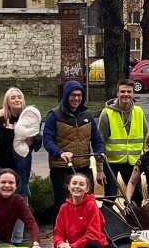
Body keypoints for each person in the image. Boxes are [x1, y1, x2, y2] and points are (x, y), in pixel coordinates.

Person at [43, 80, 104, 223]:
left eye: (79, 95)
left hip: (83, 168)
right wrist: (60, 153)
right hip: (62, 168)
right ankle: (58, 238)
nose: (76, 98)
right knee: (63, 205)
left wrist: (99, 152)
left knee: (88, 203)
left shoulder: (87, 116)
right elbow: (47, 141)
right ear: (66, 96)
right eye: (72, 95)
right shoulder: (54, 115)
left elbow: (96, 140)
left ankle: (86, 236)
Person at [96, 79, 148, 203]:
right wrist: (99, 169)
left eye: (129, 91)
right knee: (110, 196)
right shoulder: (107, 113)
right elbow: (100, 142)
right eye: (122, 91)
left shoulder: (139, 112)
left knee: (137, 197)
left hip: (133, 162)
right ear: (117, 93)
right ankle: (108, 222)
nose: (126, 94)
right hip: (111, 162)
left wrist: (148, 162)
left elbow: (147, 137)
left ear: (133, 93)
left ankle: (134, 221)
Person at [0, 87, 42, 198]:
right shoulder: (1, 120)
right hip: (1, 165)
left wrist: (32, 142)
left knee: (21, 201)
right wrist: (9, 133)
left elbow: (34, 144)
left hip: (20, 167)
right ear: (7, 102)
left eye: (19, 97)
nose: (17, 100)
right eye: (12, 98)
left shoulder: (29, 118)